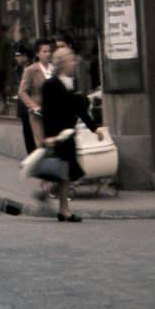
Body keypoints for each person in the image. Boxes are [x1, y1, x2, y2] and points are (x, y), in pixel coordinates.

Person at [39, 48, 104, 222]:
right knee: (63, 172)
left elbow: (79, 109)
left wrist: (94, 128)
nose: (74, 63)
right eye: (71, 60)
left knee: (65, 173)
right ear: (62, 63)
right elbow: (48, 113)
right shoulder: (50, 85)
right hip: (58, 135)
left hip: (68, 134)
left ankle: (59, 203)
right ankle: (57, 202)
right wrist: (49, 137)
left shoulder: (70, 83)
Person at [17, 38, 55, 152]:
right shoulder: (31, 70)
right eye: (44, 51)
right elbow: (22, 92)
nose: (48, 54)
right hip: (38, 113)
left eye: (49, 51)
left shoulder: (55, 68)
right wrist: (33, 106)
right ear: (37, 53)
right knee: (42, 144)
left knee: (55, 142)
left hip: (54, 111)